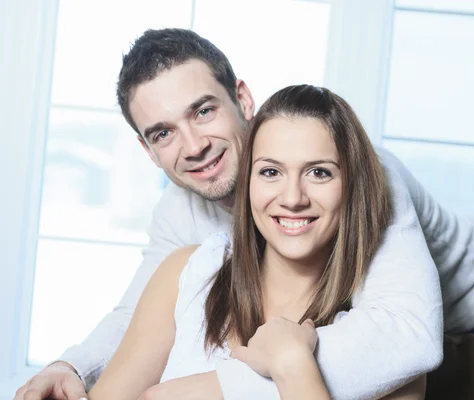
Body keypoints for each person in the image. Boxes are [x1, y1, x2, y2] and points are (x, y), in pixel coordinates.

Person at [15, 28, 474, 400]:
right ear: (148, 151)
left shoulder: (367, 174)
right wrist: (74, 367)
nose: (193, 146)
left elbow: (408, 337)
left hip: (469, 316)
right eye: (163, 133)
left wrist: (205, 391)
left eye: (203, 110)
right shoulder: (180, 213)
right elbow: (138, 313)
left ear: (242, 99)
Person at [85, 83, 428, 400]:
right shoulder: (189, 275)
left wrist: (293, 365)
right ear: (247, 182)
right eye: (270, 172)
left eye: (319, 172)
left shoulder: (386, 348)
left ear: (352, 187)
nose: (293, 198)